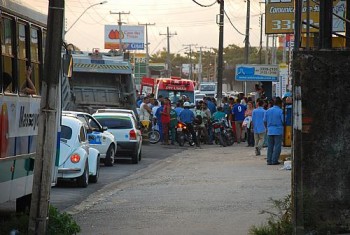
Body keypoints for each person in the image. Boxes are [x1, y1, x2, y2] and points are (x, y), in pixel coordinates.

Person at [264, 97, 284, 165]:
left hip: (270, 130)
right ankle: (274, 160)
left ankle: (269, 160)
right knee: (277, 146)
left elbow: (264, 121)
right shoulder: (280, 111)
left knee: (270, 146)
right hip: (278, 130)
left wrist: (267, 127)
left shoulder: (268, 111)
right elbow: (283, 120)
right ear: (279, 104)